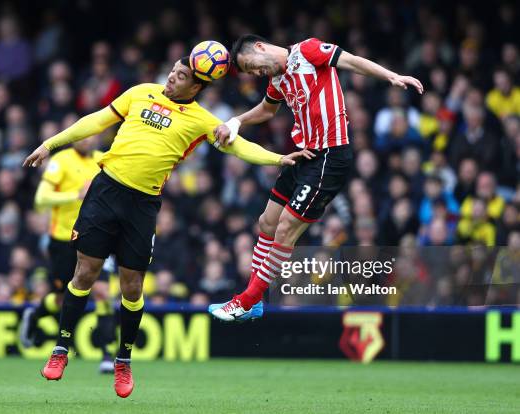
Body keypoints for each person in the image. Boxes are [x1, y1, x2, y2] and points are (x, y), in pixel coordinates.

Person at [23, 56, 310, 398]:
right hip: (105, 191)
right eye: (172, 70)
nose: (171, 76)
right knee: (85, 272)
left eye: (181, 75)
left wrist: (277, 158)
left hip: (142, 206)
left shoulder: (202, 119)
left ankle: (123, 358)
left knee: (132, 286)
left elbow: (238, 147)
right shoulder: (142, 91)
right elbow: (96, 121)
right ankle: (60, 349)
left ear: (197, 85)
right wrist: (51, 143)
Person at [209, 34, 423, 322]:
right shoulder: (278, 81)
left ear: (259, 47)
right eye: (252, 73)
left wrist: (391, 76)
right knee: (267, 222)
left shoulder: (308, 51)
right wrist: (236, 121)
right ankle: (254, 301)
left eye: (253, 66)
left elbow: (351, 61)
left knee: (285, 228)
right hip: (305, 154)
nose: (258, 73)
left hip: (330, 157)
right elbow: (268, 109)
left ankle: (246, 301)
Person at [18, 135, 116, 374]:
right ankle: (36, 315)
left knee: (103, 293)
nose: (87, 140)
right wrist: (76, 195)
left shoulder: (102, 161)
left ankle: (106, 354)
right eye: (83, 136)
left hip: (94, 236)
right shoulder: (60, 161)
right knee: (62, 299)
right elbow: (41, 199)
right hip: (63, 241)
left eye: (92, 136)